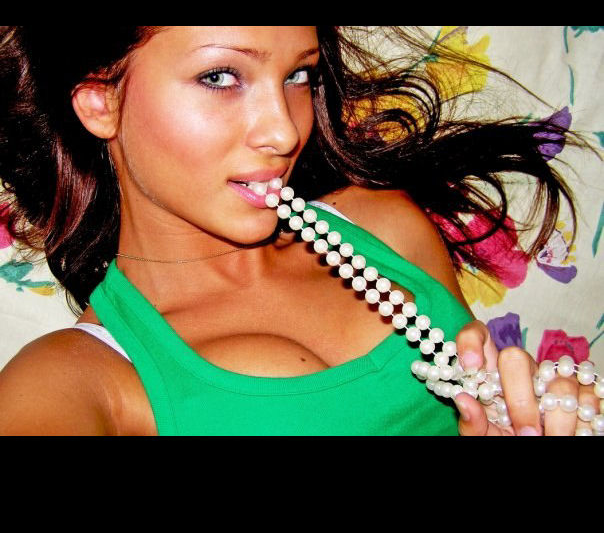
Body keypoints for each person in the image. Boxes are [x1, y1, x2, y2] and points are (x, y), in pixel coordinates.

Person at [0, 26, 598, 436]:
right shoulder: (73, 380)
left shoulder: (383, 225)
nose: (284, 131)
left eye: (298, 75)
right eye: (220, 77)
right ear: (101, 103)